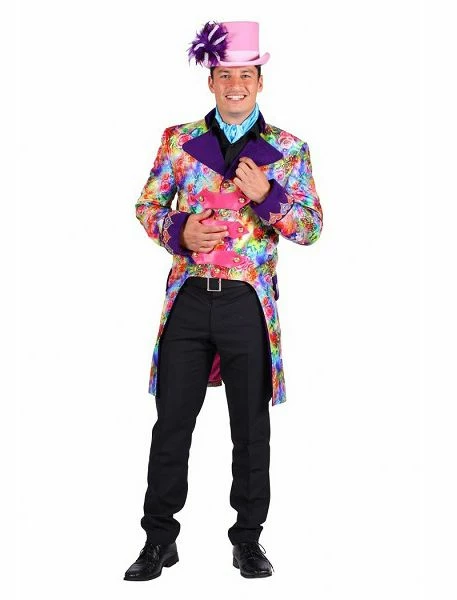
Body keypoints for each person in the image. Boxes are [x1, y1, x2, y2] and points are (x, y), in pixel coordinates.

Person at [125, 20, 323, 581]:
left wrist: (269, 196)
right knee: (171, 424)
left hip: (247, 304)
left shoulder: (288, 150)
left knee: (250, 429)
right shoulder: (178, 141)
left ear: (260, 82)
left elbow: (310, 228)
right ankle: (158, 539)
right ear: (211, 81)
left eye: (245, 75)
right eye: (225, 75)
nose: (236, 85)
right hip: (188, 299)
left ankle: (248, 540)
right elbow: (147, 207)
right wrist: (179, 229)